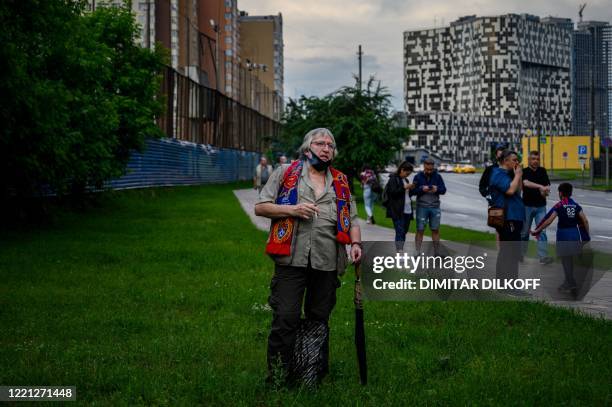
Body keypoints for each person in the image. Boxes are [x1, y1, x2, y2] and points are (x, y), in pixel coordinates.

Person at [254, 128, 362, 384]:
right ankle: (279, 377)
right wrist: (291, 209)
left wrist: (356, 243)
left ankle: (310, 374)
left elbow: (353, 219)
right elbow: (261, 207)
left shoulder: (341, 181)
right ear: (307, 149)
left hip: (327, 262)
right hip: (291, 260)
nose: (326, 148)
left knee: (318, 320)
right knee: (286, 317)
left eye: (330, 145)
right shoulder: (286, 173)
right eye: (320, 143)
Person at [531, 182, 590, 295]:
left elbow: (549, 220)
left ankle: (571, 283)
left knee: (565, 260)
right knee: (570, 260)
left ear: (561, 193)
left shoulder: (560, 205)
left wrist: (537, 230)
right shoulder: (576, 205)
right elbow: (585, 220)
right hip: (575, 235)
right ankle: (567, 283)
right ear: (571, 193)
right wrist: (586, 236)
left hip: (563, 235)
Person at [488, 150, 525, 281]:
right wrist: (518, 175)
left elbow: (518, 191)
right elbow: (509, 191)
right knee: (508, 252)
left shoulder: (509, 175)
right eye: (514, 160)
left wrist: (518, 176)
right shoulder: (498, 174)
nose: (517, 163)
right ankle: (508, 284)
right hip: (507, 217)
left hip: (515, 216)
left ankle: (508, 283)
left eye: (517, 160)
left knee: (512, 252)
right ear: (505, 161)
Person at [521, 151, 553, 264]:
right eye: (533, 158)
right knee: (524, 232)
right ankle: (521, 255)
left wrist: (545, 190)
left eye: (537, 159)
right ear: (529, 160)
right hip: (526, 206)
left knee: (542, 232)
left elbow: (547, 186)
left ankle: (543, 257)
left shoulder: (542, 171)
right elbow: (526, 183)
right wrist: (540, 187)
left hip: (541, 207)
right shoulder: (524, 171)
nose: (536, 161)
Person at [411, 158, 446, 254]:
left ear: (433, 167)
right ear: (424, 166)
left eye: (431, 169)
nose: (430, 171)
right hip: (422, 206)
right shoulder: (418, 177)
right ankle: (417, 252)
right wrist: (422, 189)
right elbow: (412, 191)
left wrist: (437, 189)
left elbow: (443, 190)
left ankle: (437, 252)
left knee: (435, 229)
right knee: (420, 229)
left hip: (435, 207)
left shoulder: (438, 177)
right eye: (428, 169)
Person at [382, 161, 415, 250]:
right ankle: (399, 252)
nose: (407, 175)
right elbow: (393, 193)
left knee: (404, 231)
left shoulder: (406, 180)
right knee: (400, 231)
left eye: (409, 174)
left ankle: (400, 249)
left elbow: (407, 195)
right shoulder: (393, 179)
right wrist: (404, 188)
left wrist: (412, 189)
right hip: (397, 210)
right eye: (407, 173)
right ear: (402, 170)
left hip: (407, 210)